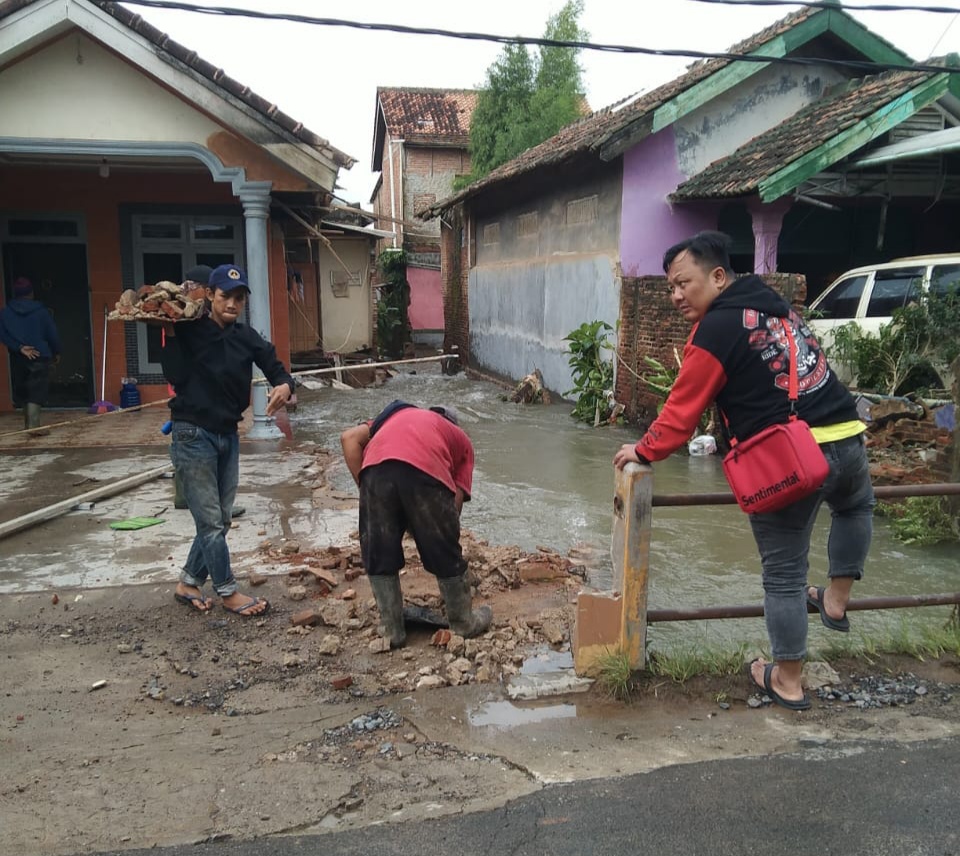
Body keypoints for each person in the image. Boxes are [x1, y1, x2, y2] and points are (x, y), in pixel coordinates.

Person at [613, 231, 874, 711]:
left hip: (789, 457)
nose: (675, 297)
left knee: (783, 573)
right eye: (670, 286)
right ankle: (836, 600)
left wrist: (643, 451)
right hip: (847, 434)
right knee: (856, 505)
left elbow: (681, 413)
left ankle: (788, 681)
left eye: (682, 284)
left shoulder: (716, 329)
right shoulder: (777, 307)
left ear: (717, 276)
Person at [160, 264, 293, 616]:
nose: (232, 303)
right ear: (210, 296)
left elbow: (273, 364)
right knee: (210, 522)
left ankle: (189, 581)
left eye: (239, 298)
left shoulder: (245, 337)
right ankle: (227, 591)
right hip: (192, 433)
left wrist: (284, 384)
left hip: (227, 434)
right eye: (225, 296)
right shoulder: (189, 331)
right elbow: (173, 372)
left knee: (221, 518)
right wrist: (171, 331)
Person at [340, 401, 493, 647]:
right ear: (452, 424)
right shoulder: (461, 439)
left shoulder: (394, 416)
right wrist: (433, 533)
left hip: (374, 471)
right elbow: (454, 503)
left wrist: (373, 498)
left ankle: (391, 630)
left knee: (379, 550)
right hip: (425, 471)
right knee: (444, 550)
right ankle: (463, 622)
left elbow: (347, 438)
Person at [0, 276, 61, 432]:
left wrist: (19, 347)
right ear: (31, 293)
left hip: (18, 355)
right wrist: (56, 351)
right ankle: (34, 426)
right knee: (37, 389)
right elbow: (51, 334)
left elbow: (3, 334)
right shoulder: (41, 312)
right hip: (39, 354)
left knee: (24, 389)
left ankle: (28, 425)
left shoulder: (6, 312)